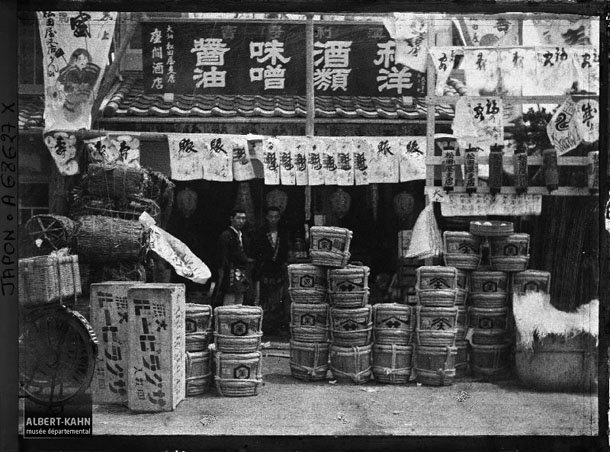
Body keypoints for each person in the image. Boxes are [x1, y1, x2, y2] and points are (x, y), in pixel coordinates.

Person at [253, 206, 289, 335]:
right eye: (271, 217)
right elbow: (255, 251)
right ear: (267, 217)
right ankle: (264, 327)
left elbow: (285, 250)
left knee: (278, 300)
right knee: (264, 300)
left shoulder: (283, 232)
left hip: (278, 270)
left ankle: (276, 327)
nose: (273, 219)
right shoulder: (260, 232)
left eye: (276, 217)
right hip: (264, 270)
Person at [217, 209, 254, 306]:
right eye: (238, 218)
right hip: (230, 271)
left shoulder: (243, 235)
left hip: (242, 272)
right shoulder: (226, 235)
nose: (241, 221)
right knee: (229, 300)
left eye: (243, 218)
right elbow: (224, 257)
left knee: (239, 300)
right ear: (232, 219)